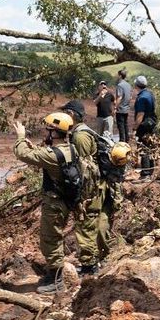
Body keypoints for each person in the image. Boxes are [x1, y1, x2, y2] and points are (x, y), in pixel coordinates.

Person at [11, 112, 83, 294]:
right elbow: (48, 155)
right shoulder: (71, 149)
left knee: (50, 240)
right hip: (65, 201)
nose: (45, 134)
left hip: (55, 204)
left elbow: (21, 154)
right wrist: (33, 147)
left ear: (54, 132)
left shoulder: (52, 155)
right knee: (54, 238)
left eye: (47, 130)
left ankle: (57, 279)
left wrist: (21, 137)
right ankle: (54, 275)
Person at [58, 99, 105, 276]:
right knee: (86, 225)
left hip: (89, 191)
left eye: (65, 113)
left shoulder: (80, 136)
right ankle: (90, 263)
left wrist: (79, 195)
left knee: (86, 226)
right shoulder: (79, 133)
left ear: (71, 115)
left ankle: (89, 266)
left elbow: (85, 168)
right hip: (90, 189)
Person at [132, 76, 158, 177]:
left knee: (143, 148)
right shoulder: (150, 94)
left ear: (136, 85)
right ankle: (151, 170)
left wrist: (135, 129)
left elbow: (140, 115)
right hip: (151, 124)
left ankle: (146, 173)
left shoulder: (141, 97)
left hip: (144, 126)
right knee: (150, 147)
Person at [114, 69, 133, 143]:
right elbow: (130, 97)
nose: (117, 76)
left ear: (120, 76)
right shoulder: (128, 85)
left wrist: (115, 107)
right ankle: (127, 141)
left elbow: (119, 97)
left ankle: (122, 142)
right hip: (126, 109)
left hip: (120, 109)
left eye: (118, 75)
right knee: (125, 125)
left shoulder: (120, 85)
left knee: (120, 126)